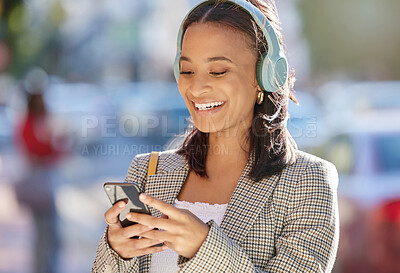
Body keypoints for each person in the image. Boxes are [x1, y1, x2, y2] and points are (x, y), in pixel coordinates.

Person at [92, 0, 339, 272]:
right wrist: (117, 253)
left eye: (218, 71)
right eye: (187, 71)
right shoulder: (147, 171)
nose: (196, 88)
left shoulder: (308, 182)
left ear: (264, 75)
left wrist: (204, 247)